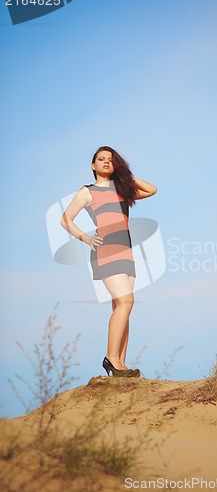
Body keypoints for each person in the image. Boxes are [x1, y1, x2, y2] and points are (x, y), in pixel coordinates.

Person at [60, 146, 158, 378]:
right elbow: (65, 220)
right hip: (105, 250)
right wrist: (85, 238)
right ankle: (110, 358)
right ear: (93, 165)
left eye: (110, 160)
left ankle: (121, 364)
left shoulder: (122, 189)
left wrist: (124, 176)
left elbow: (152, 189)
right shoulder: (87, 191)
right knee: (126, 301)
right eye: (101, 159)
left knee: (121, 306)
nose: (105, 162)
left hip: (126, 251)